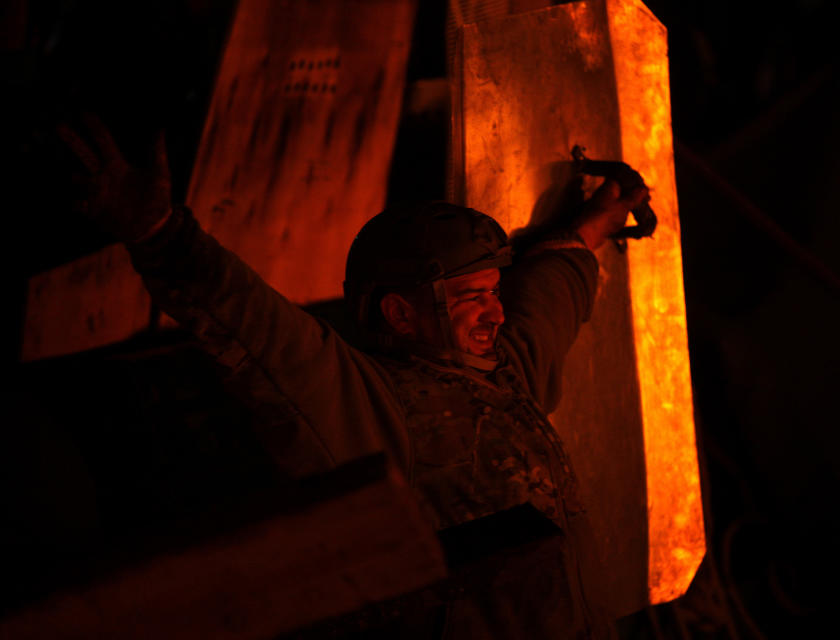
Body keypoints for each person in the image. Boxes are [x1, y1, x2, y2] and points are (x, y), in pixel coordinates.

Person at [59, 116, 650, 639]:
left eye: (495, 292)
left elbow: (551, 290)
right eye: (473, 298)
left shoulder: (508, 368)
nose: (496, 312)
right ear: (399, 313)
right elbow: (261, 332)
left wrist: (599, 216)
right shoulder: (378, 406)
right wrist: (160, 235)